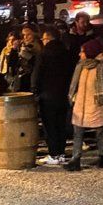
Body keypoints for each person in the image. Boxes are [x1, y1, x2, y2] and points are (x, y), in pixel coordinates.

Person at [64, 39, 103, 171]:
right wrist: (73, 97)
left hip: (97, 105)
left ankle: (102, 156)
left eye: (83, 51)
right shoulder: (80, 66)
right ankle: (75, 159)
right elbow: (75, 84)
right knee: (78, 132)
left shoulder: (101, 67)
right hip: (81, 105)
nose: (80, 54)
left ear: (90, 52)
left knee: (100, 132)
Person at [31, 26, 73, 165]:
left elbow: (37, 75)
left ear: (48, 38)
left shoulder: (44, 54)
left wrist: (35, 91)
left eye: (43, 39)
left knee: (50, 126)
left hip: (47, 95)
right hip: (63, 94)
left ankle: (53, 154)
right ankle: (61, 153)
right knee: (61, 124)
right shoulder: (66, 53)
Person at [16, 25, 42, 92]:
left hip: (32, 82)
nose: (26, 37)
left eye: (29, 34)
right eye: (24, 35)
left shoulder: (38, 47)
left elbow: (37, 65)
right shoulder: (21, 47)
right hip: (21, 80)